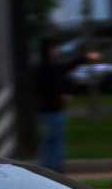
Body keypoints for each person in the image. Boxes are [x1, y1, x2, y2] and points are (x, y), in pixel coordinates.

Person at [36, 40, 94, 172]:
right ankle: (54, 169)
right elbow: (65, 68)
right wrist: (83, 58)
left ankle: (45, 168)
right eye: (54, 49)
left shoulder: (45, 67)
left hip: (49, 109)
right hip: (52, 110)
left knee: (49, 141)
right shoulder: (48, 67)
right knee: (55, 142)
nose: (57, 52)